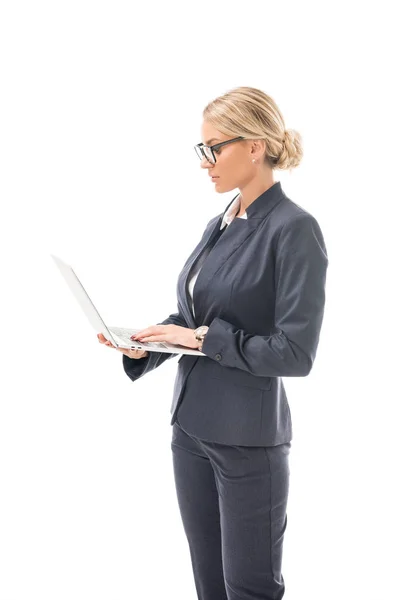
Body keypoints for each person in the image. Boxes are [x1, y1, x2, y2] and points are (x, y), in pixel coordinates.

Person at [98, 86, 329, 600]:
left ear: (255, 147)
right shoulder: (221, 222)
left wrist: (199, 337)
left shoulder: (294, 230)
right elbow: (195, 315)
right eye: (202, 150)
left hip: (248, 441)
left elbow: (295, 352)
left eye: (214, 148)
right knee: (209, 586)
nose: (205, 162)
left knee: (248, 589)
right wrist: (145, 344)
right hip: (192, 430)